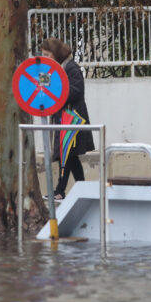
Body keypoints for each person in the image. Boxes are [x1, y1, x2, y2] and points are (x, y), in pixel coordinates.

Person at [40, 38, 94, 198]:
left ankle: (60, 191)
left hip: (72, 117)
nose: (45, 58)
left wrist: (55, 90)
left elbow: (76, 91)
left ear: (56, 54)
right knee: (69, 155)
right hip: (63, 117)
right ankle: (79, 190)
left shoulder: (71, 68)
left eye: (47, 54)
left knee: (68, 154)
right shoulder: (55, 68)